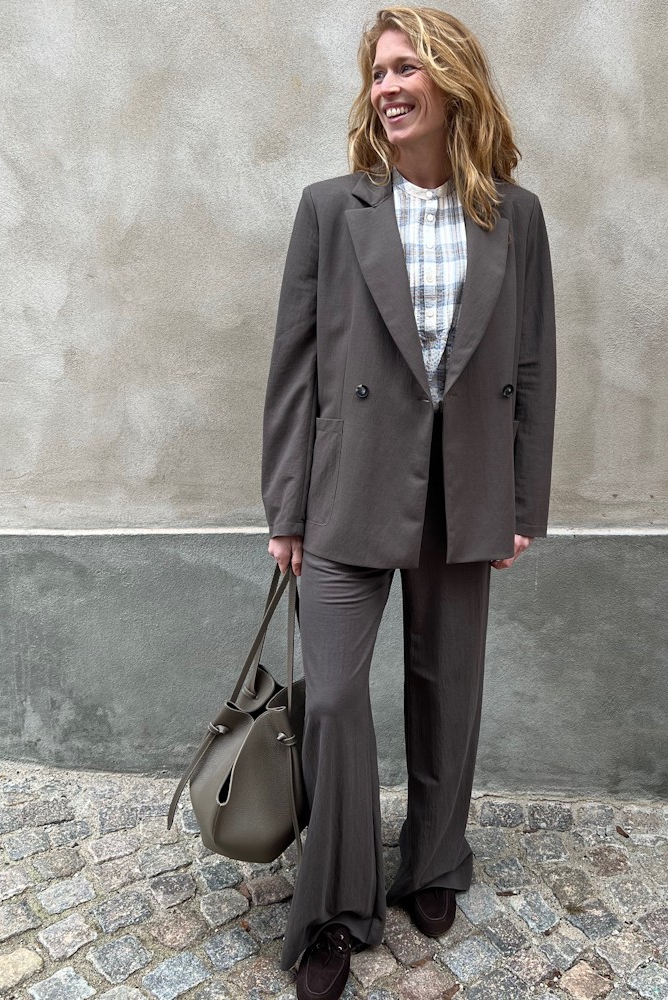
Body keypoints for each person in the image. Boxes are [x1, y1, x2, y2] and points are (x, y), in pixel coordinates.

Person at [261, 7, 556, 999]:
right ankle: (335, 907)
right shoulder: (329, 209)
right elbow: (294, 369)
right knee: (334, 699)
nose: (386, 87)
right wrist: (286, 507)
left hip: (463, 488)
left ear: (451, 81)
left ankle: (432, 861)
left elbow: (531, 364)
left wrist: (521, 500)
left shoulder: (513, 216)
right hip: (347, 487)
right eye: (378, 72)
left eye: (405, 69)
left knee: (447, 688)